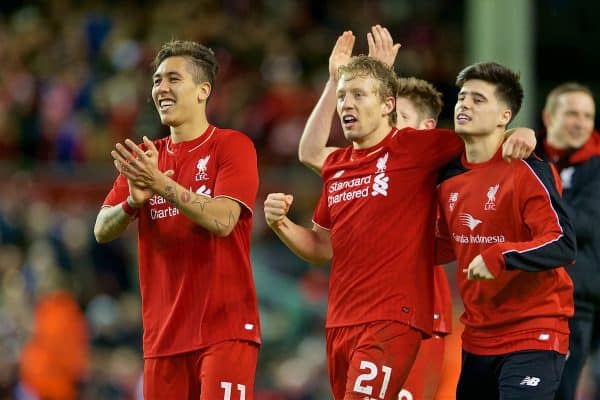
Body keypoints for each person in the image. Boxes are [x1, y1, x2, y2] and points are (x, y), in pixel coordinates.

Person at [264, 30, 535, 400]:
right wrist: (281, 225)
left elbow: (480, 140)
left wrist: (522, 132)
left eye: (358, 95)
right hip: (341, 321)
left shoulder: (413, 147)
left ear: (386, 105)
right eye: (343, 96)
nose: (346, 104)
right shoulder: (338, 166)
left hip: (393, 318)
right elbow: (320, 247)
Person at [93, 40, 260, 400]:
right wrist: (130, 205)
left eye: (173, 78)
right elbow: (100, 229)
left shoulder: (232, 146)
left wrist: (160, 184)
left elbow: (224, 219)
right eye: (156, 80)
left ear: (203, 91)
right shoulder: (145, 160)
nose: (161, 88)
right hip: (163, 339)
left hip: (225, 331)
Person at [435, 62, 576, 400]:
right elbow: (441, 248)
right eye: (463, 98)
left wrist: (499, 255)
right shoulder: (447, 178)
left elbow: (562, 243)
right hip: (477, 338)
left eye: (478, 100)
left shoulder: (527, 168)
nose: (464, 105)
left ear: (504, 116)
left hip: (534, 332)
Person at [536, 82, 600, 400]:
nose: (581, 122)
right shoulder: (529, 157)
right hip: (525, 299)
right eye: (572, 113)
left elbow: (584, 224)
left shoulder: (597, 167)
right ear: (549, 117)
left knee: (561, 391)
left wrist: (533, 208)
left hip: (576, 303)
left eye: (587, 116)